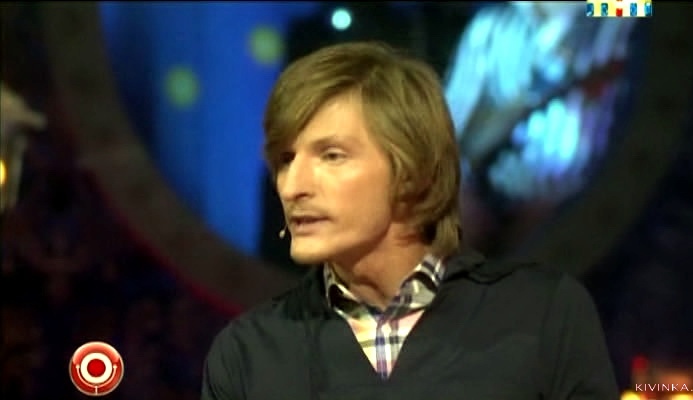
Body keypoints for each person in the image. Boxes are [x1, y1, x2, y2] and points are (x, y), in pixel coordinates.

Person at [201, 41, 618, 400]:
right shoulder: (246, 354)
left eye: (331, 156)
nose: (292, 187)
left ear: (412, 172)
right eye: (285, 160)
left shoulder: (545, 317)